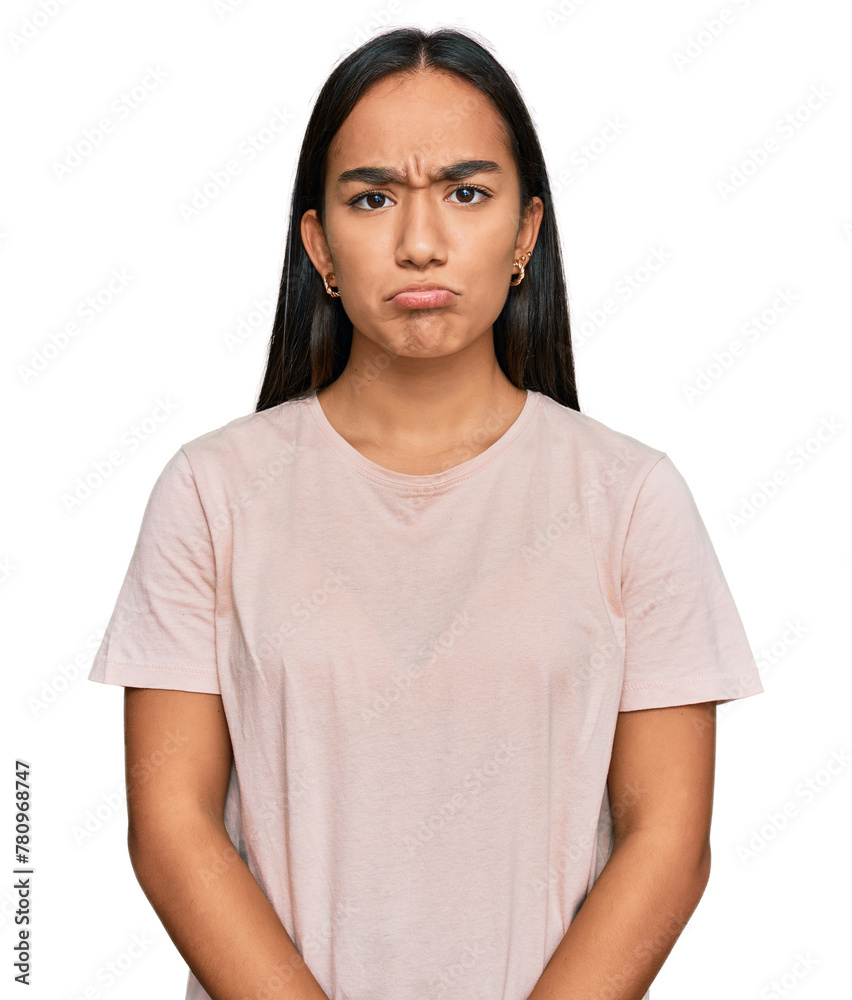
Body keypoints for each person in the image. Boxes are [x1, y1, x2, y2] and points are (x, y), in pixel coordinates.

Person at [88, 25, 764, 1000]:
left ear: (526, 231)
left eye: (466, 192)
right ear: (317, 242)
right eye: (371, 198)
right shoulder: (211, 492)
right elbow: (170, 827)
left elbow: (668, 841)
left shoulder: (630, 498)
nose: (419, 240)